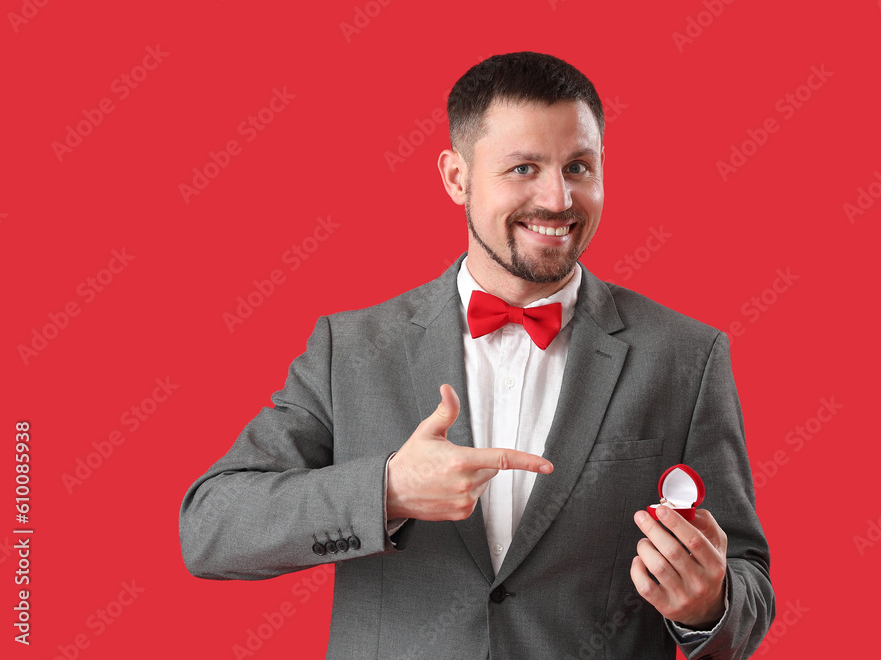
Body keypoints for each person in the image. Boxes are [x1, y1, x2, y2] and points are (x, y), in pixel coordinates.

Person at [179, 51, 775, 659]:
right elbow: (210, 528)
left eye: (578, 166)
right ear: (456, 177)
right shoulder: (350, 350)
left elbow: (748, 582)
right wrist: (385, 492)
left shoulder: (686, 357)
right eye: (522, 168)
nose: (558, 198)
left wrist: (707, 604)